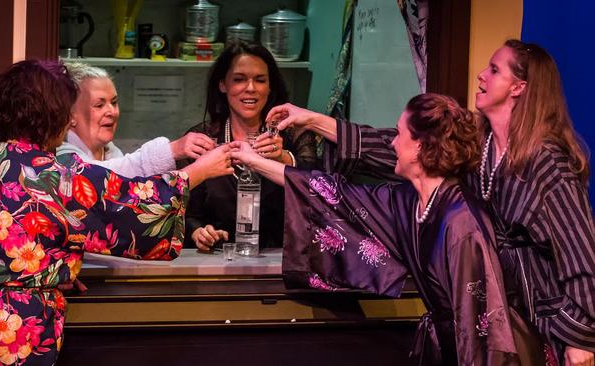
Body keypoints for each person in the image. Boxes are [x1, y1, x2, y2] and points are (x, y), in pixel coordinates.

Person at [268, 40, 595, 366]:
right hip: (495, 322)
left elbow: (580, 254)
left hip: (540, 324)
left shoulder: (547, 162)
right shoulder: (483, 147)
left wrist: (580, 339)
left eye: (494, 70)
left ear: (519, 87)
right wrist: (312, 120)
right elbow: (404, 148)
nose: (482, 75)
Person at [0, 59, 232, 364]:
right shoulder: (59, 175)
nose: (70, 122)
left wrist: (49, 269)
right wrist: (197, 172)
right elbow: (132, 204)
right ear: (54, 115)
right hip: (17, 332)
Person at [232, 93, 544, 365]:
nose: (392, 143)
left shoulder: (462, 222)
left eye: (398, 134)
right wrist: (252, 160)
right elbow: (332, 193)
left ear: (421, 146)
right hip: (449, 345)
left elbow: (483, 325)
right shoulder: (410, 203)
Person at [181, 41, 319, 252]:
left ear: (270, 86)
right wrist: (199, 232)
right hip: (219, 263)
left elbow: (320, 191)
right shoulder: (202, 139)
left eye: (260, 80)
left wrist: (282, 158)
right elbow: (186, 212)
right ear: (222, 85)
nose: (251, 88)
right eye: (239, 80)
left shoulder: (293, 132)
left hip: (284, 262)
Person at [57, 61, 217, 177]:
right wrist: (172, 150)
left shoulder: (112, 153)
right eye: (99, 105)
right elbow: (101, 177)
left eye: (114, 102)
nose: (111, 111)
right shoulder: (61, 157)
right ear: (71, 116)